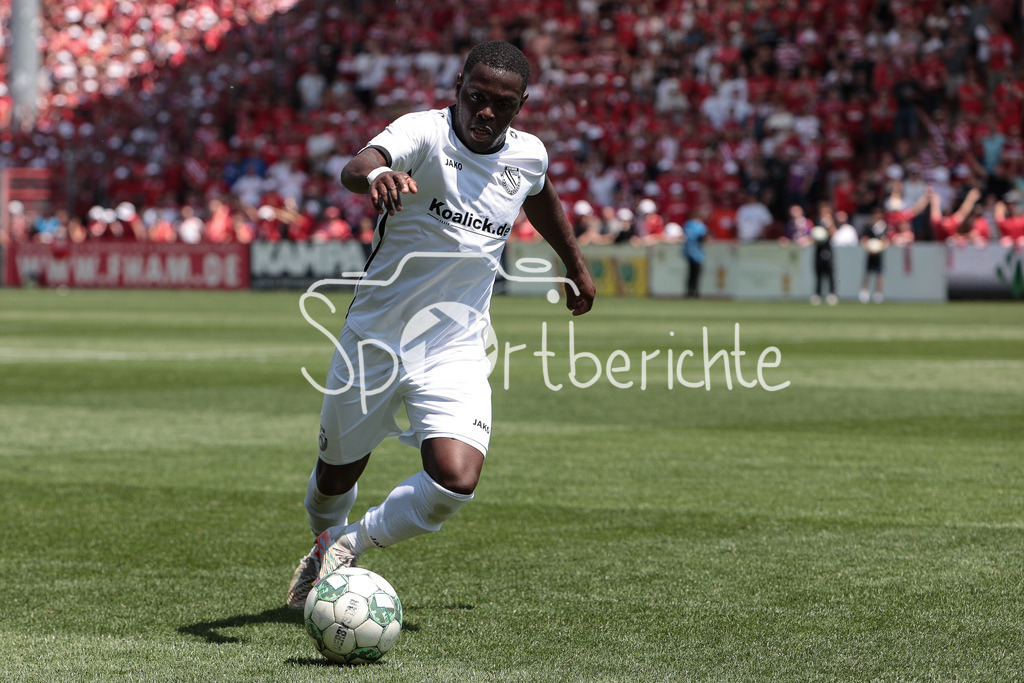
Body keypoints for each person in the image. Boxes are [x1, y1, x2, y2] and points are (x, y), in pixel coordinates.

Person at [286, 41, 596, 609]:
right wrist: (379, 174)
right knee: (334, 479)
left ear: (520, 105)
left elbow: (541, 194)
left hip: (454, 345)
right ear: (458, 87)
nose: (486, 113)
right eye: (476, 98)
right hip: (373, 341)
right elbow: (357, 166)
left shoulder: (527, 155)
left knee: (455, 479)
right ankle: (321, 536)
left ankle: (342, 545)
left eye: (501, 105)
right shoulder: (424, 133)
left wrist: (574, 264)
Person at [682, 205, 709, 298]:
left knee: (690, 273)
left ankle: (689, 292)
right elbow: (703, 238)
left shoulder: (688, 224)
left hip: (688, 251)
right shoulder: (701, 226)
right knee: (696, 274)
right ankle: (696, 293)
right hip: (697, 253)